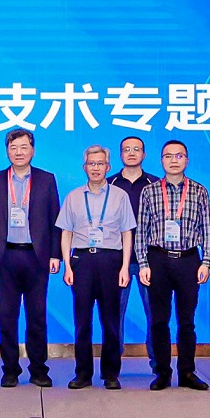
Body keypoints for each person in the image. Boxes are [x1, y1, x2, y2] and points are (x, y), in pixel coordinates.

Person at [0, 128, 61, 388]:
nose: (19, 152)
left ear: (32, 150)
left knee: (37, 317)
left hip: (37, 258)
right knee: (7, 317)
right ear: (7, 151)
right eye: (13, 148)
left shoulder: (47, 180)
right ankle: (10, 370)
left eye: (24, 147)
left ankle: (39, 370)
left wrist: (56, 254)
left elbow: (55, 220)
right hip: (5, 257)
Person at [136, 140, 210, 391]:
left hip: (189, 260)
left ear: (187, 160)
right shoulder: (149, 191)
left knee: (187, 321)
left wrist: (206, 261)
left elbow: (208, 229)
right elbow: (141, 230)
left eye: (179, 156)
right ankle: (162, 372)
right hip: (157, 259)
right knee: (159, 321)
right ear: (161, 160)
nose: (173, 160)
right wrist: (143, 263)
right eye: (168, 156)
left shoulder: (199, 191)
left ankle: (187, 372)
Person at [57, 146, 136, 390]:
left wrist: (125, 267)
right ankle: (82, 374)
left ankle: (111, 374)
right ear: (84, 167)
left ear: (108, 167)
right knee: (82, 321)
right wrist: (67, 266)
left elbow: (127, 233)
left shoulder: (120, 196)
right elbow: (66, 233)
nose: (96, 168)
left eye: (100, 164)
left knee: (111, 320)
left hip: (111, 260)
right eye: (91, 164)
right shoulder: (73, 197)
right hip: (82, 261)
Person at [107, 136, 160, 375]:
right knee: (114, 314)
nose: (131, 153)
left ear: (144, 154)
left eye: (136, 149)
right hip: (117, 259)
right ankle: (112, 366)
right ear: (120, 155)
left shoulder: (155, 184)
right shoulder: (109, 183)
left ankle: (158, 365)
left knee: (156, 314)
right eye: (126, 149)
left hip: (150, 259)